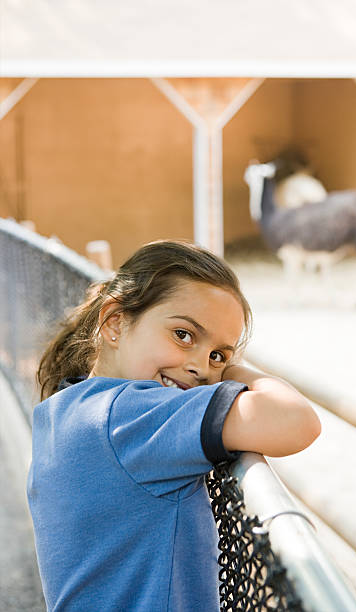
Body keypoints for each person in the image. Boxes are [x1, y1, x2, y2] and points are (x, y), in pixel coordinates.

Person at [28, 240, 321, 612]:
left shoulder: (62, 409)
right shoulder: (132, 415)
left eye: (217, 355)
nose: (202, 367)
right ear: (115, 322)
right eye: (183, 335)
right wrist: (233, 369)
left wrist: (212, 358)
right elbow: (296, 421)